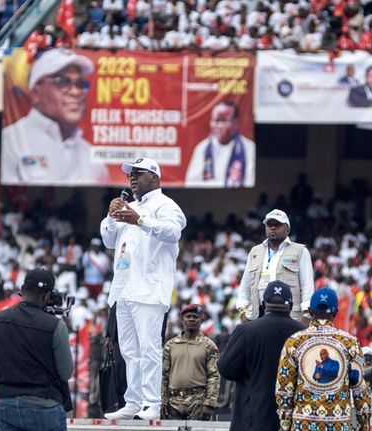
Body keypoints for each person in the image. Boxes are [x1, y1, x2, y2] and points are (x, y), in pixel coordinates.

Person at [101, 157, 186, 420]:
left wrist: (140, 221)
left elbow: (173, 233)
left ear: (155, 178)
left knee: (149, 348)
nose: (132, 178)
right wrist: (111, 216)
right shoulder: (129, 206)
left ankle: (152, 401)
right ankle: (133, 401)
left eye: (139, 173)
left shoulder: (166, 205)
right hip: (124, 288)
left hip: (149, 289)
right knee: (129, 350)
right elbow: (108, 241)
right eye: (130, 175)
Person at [0, 269, 72, 431]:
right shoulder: (55, 326)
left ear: (22, 289)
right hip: (44, 406)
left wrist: (9, 373)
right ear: (46, 296)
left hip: (7, 404)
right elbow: (65, 372)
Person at [1, 48, 107, 185]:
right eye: (62, 82)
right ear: (36, 93)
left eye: (80, 84)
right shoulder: (10, 140)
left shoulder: (92, 157)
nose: (76, 92)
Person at [276, 287, 370, 431]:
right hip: (339, 426)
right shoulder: (350, 343)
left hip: (303, 426)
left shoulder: (294, 342)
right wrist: (364, 425)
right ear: (336, 313)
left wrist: (285, 426)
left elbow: (284, 390)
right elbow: (359, 390)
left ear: (310, 311)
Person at [218, 280, 305, 431]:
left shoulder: (245, 331)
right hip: (292, 420)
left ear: (264, 304)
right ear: (290, 306)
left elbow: (226, 369)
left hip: (252, 419)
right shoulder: (303, 334)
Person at [236, 209, 314, 322]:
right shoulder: (255, 251)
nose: (273, 228)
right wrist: (242, 311)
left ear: (288, 229)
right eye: (269, 225)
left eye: (278, 224)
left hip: (290, 315)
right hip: (258, 314)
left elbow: (307, 285)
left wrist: (306, 314)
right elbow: (245, 283)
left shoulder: (300, 251)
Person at [161, 304, 220, 421]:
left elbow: (214, 376)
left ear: (201, 320)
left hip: (198, 401)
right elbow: (164, 375)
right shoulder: (170, 345)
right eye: (188, 316)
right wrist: (163, 401)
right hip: (173, 402)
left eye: (195, 316)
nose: (191, 319)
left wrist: (209, 404)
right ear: (182, 320)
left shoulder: (209, 345)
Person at [185, 101, 256, 187]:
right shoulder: (203, 148)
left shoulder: (249, 148)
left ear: (236, 123)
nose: (220, 126)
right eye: (217, 121)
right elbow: (191, 183)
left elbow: (251, 181)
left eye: (225, 121)